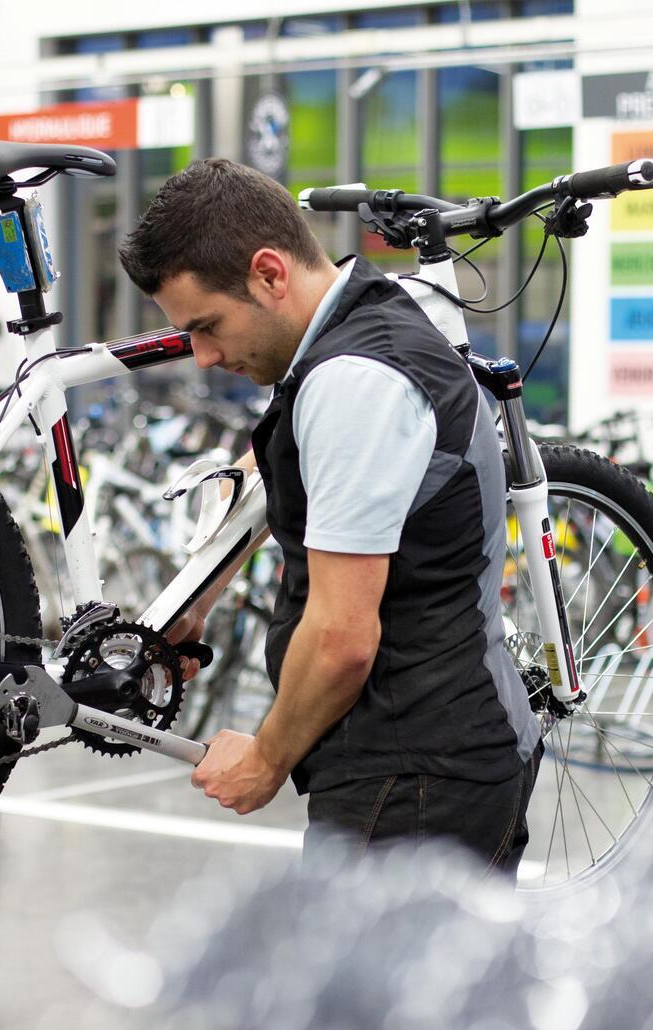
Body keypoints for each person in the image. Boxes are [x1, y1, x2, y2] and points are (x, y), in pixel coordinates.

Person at [116, 159, 540, 872]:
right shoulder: (364, 318)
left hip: (415, 780)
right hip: (432, 762)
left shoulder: (354, 382)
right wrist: (200, 595)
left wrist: (265, 758)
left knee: (365, 988)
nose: (202, 355)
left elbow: (343, 638)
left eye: (208, 326)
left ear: (270, 273)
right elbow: (296, 471)